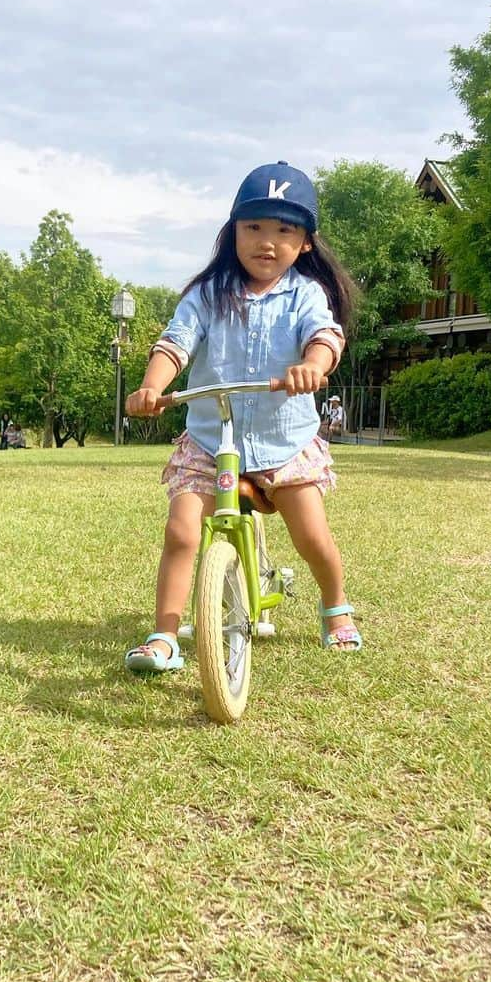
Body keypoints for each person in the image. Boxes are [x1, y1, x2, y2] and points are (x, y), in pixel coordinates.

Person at [124, 161, 362, 673]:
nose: (267, 241)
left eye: (284, 230)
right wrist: (151, 387)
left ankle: (336, 606)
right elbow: (175, 343)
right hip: (211, 440)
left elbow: (326, 335)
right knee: (183, 531)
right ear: (232, 232)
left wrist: (312, 366)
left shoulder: (305, 294)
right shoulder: (208, 295)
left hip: (285, 441)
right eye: (253, 227)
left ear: (305, 244)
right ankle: (164, 635)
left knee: (311, 534)